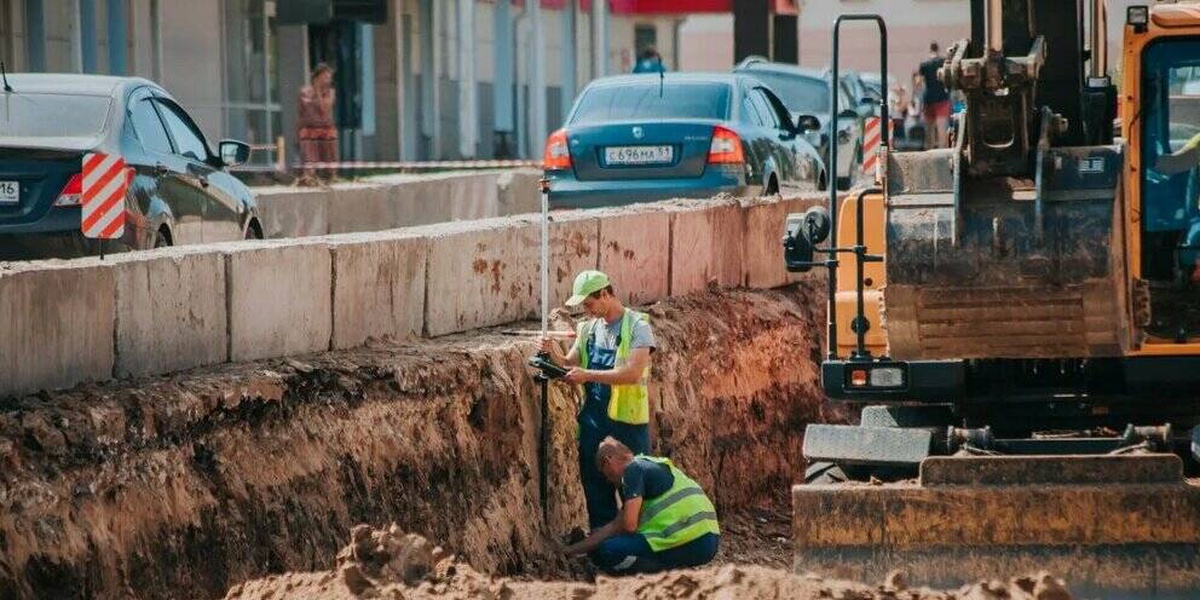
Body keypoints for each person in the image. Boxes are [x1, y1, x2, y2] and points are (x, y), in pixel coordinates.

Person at [539, 270, 655, 531]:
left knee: (635, 489)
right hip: (594, 421)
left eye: (589, 304)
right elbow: (570, 362)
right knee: (595, 484)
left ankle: (639, 551)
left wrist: (588, 374)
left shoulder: (637, 326)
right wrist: (552, 354)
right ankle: (605, 552)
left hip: (628, 425)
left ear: (605, 294)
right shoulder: (588, 329)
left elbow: (633, 373)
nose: (586, 310)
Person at [562, 437, 720, 574]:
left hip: (689, 539)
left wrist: (579, 548)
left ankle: (664, 574)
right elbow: (615, 526)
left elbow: (628, 525)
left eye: (606, 474)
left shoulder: (632, 470)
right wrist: (574, 549)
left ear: (608, 460)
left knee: (608, 550)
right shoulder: (653, 464)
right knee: (610, 543)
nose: (609, 480)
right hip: (708, 539)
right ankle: (673, 568)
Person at [297, 63, 338, 185]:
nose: (327, 81)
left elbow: (324, 108)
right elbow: (301, 112)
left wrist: (320, 92)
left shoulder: (330, 92)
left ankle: (331, 176)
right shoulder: (305, 92)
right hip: (309, 129)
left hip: (326, 128)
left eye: (329, 78)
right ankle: (309, 176)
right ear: (317, 78)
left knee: (329, 155)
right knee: (310, 154)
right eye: (325, 77)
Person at [916, 42, 951, 149]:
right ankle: (942, 151)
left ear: (930, 50)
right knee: (942, 128)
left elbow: (918, 82)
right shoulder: (943, 62)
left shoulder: (924, 64)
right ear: (938, 49)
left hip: (928, 99)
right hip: (942, 98)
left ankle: (929, 150)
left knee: (929, 129)